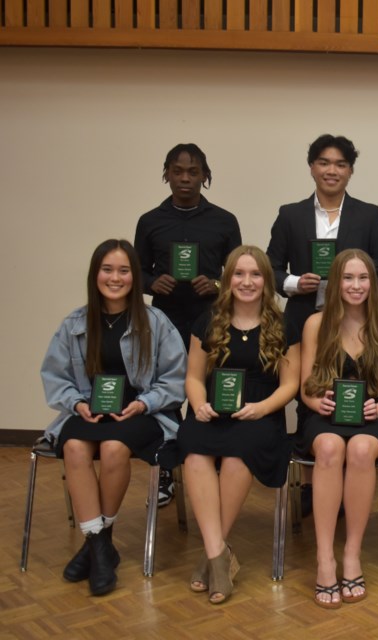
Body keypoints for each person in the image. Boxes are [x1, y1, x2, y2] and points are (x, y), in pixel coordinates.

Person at [40, 239, 186, 596]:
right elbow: (54, 376)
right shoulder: (75, 322)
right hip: (91, 406)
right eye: (107, 269)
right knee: (74, 446)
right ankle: (101, 545)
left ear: (135, 277)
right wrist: (76, 404)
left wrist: (143, 403)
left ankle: (96, 548)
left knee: (114, 447)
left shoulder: (156, 321)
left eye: (123, 270)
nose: (115, 277)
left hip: (142, 410)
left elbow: (175, 379)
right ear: (95, 275)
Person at [178, 246, 300, 605]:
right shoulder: (207, 320)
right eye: (239, 274)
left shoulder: (283, 324)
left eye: (256, 275)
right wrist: (198, 404)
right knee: (195, 452)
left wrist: (262, 408)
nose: (247, 282)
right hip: (212, 411)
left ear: (267, 281)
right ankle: (219, 555)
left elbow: (290, 385)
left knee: (237, 456)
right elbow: (194, 377)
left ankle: (212, 558)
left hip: (260, 414)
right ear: (227, 279)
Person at [298, 249, 378, 608]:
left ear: (373, 284)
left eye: (363, 278)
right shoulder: (316, 323)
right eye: (348, 278)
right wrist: (319, 403)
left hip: (377, 419)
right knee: (330, 449)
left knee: (359, 449)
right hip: (326, 417)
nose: (356, 285)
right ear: (336, 283)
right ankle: (325, 558)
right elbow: (305, 389)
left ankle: (352, 555)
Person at [135, 143, 242, 507]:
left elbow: (239, 276)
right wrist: (152, 283)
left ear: (205, 176)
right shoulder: (150, 221)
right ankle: (167, 470)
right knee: (167, 393)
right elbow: (137, 272)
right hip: (164, 322)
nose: (184, 178)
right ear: (166, 174)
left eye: (193, 172)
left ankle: (208, 462)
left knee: (210, 391)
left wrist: (214, 284)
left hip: (212, 321)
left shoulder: (224, 221)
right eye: (177, 171)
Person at [267, 134, 378, 335]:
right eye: (324, 163)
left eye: (341, 165)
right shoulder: (290, 215)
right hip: (301, 321)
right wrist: (296, 283)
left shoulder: (369, 215)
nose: (332, 171)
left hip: (356, 323)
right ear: (312, 168)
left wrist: (377, 317)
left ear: (350, 171)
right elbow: (271, 268)